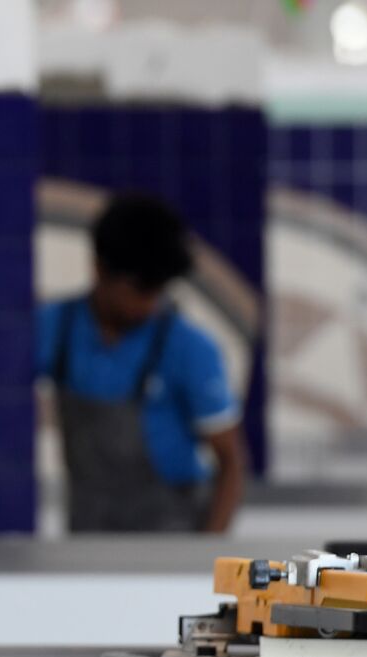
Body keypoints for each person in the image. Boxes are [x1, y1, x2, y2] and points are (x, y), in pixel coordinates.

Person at [37, 193, 245, 533]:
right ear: (100, 268)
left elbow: (231, 463)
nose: (150, 302)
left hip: (171, 535)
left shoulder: (190, 348)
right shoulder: (54, 329)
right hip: (87, 537)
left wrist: (210, 551)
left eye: (159, 288)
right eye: (140, 287)